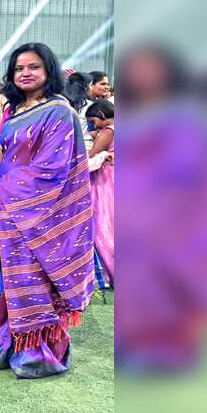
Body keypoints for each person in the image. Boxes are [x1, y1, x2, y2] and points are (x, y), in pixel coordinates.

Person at [0, 42, 95, 378]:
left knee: (37, 277)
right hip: (10, 208)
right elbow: (3, 150)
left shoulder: (58, 111)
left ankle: (39, 354)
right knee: (16, 279)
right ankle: (12, 343)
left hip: (41, 212)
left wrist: (6, 188)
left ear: (48, 71)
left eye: (33, 67)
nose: (25, 73)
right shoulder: (14, 111)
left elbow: (52, 168)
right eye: (19, 69)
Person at [86, 99, 115, 284]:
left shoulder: (108, 131)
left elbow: (92, 155)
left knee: (104, 224)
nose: (94, 125)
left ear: (101, 115)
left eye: (94, 120)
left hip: (106, 179)